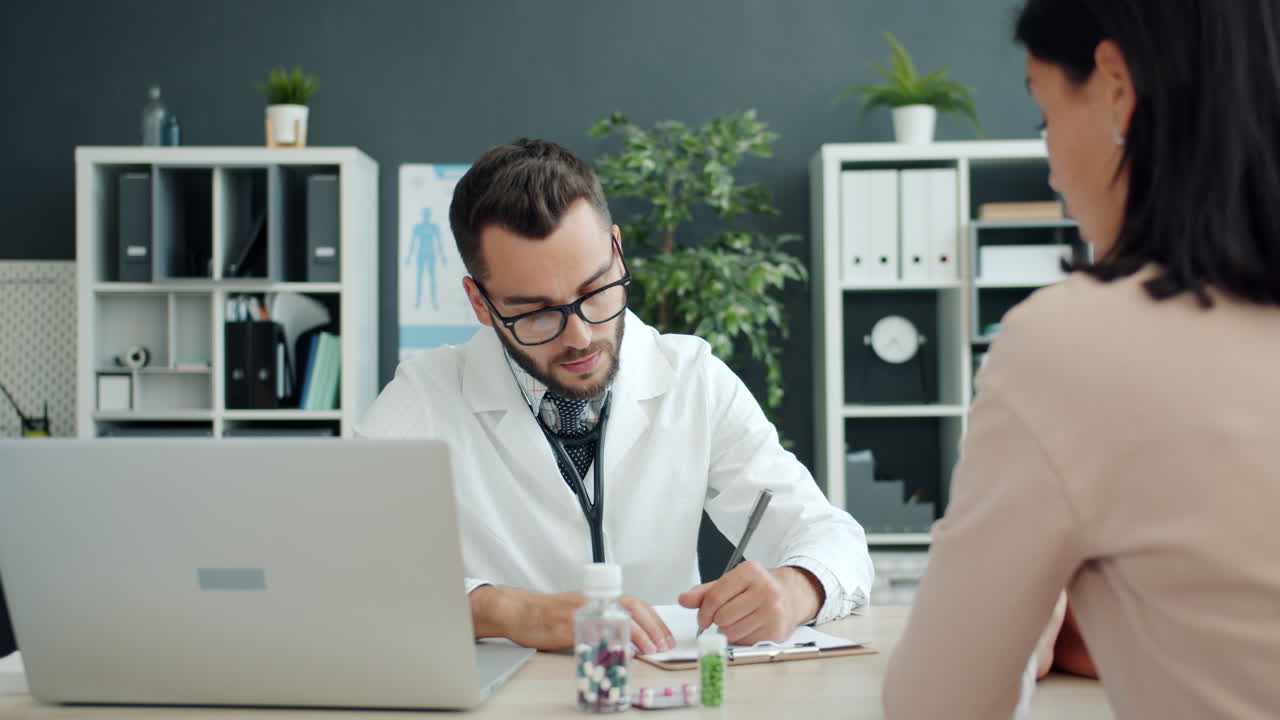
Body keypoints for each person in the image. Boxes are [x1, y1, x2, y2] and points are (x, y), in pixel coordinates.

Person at [883, 0, 1280, 717]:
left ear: (1116, 86)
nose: (1053, 169)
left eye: (1045, 117)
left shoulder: (1070, 347)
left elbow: (937, 705)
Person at [359, 139, 873, 653]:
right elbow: (336, 568)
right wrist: (509, 612)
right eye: (536, 312)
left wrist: (800, 587)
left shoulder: (693, 378)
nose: (580, 336)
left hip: (666, 693)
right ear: (481, 304)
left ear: (617, 251)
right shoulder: (424, 397)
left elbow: (832, 537)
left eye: (596, 289)